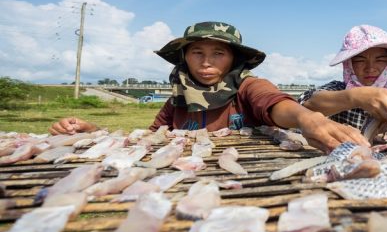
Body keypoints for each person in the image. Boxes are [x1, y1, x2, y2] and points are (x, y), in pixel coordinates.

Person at [49, 21, 366, 152]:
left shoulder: (248, 86)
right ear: (184, 58)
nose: (206, 62)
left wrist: (306, 118)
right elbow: (152, 137)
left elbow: (276, 104)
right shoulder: (179, 99)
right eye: (197, 52)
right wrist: (94, 131)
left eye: (218, 53)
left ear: (232, 59)